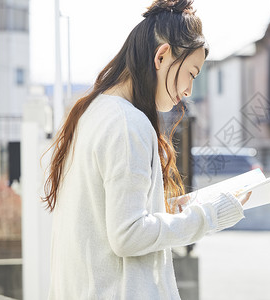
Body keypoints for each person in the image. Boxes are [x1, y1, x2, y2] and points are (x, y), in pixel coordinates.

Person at [43, 1, 250, 299]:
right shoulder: (129, 123)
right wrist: (209, 216)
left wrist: (163, 211)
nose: (190, 90)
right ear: (162, 56)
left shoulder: (93, 112)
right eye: (192, 73)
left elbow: (108, 220)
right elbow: (128, 235)